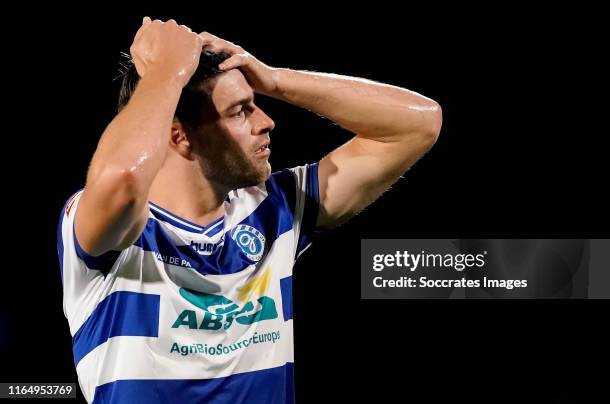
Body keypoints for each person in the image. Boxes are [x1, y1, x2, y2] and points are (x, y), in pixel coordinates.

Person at [57, 17, 442, 403]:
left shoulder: (275, 209)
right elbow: (122, 181)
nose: (267, 121)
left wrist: (274, 79)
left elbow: (417, 124)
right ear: (178, 136)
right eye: (240, 111)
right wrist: (165, 73)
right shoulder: (119, 233)